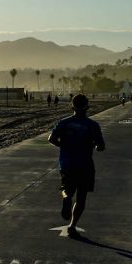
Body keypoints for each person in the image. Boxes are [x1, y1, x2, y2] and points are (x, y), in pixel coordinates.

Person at [48, 93, 106, 238]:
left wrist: (64, 145)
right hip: (85, 164)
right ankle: (72, 226)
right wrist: (94, 146)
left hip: (67, 163)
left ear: (72, 106)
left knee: (66, 189)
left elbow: (51, 139)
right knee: (81, 197)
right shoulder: (92, 125)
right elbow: (101, 146)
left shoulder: (64, 122)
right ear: (87, 107)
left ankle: (66, 197)